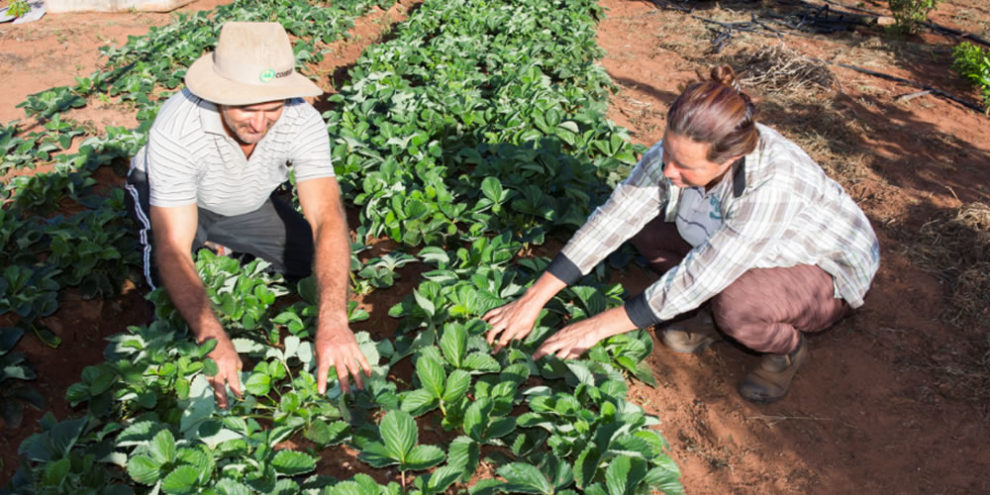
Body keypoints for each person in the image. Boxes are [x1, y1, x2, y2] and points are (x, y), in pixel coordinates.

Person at [483, 66, 880, 404]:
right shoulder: (680, 151)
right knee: (645, 230)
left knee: (737, 306)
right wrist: (533, 299)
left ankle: (786, 348)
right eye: (667, 155)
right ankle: (709, 314)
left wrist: (593, 328)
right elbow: (614, 219)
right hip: (737, 244)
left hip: (822, 269)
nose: (668, 171)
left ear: (730, 159)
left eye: (684, 168)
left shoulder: (772, 186)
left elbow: (698, 278)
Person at [125, 22, 371, 408]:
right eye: (246, 108)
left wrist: (335, 320)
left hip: (245, 201)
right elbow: (173, 244)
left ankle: (223, 246)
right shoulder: (178, 129)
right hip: (177, 202)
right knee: (167, 296)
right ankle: (208, 250)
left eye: (272, 108)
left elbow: (328, 217)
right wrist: (211, 335)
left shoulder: (302, 120)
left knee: (312, 262)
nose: (259, 124)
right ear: (218, 94)